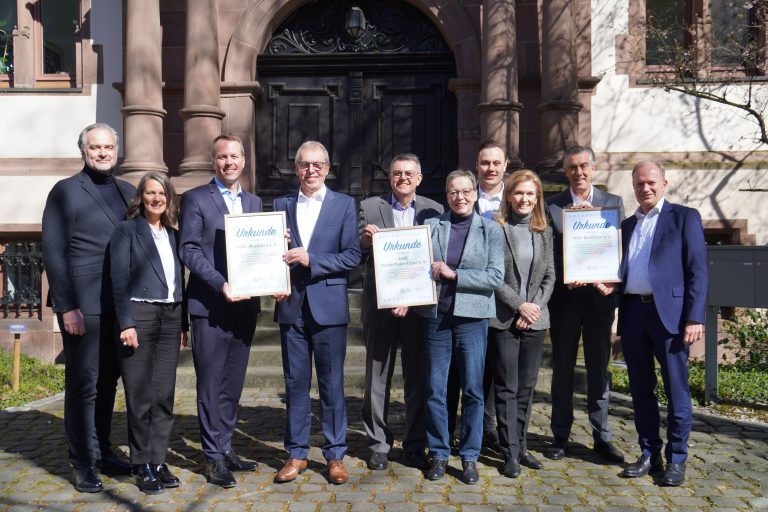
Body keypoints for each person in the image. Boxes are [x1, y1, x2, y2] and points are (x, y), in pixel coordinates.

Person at [596, 161, 707, 487]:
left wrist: (694, 316)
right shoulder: (628, 224)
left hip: (670, 319)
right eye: (639, 183)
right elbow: (626, 269)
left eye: (651, 182)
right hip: (633, 314)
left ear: (664, 183)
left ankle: (676, 459)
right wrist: (613, 284)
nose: (645, 187)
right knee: (641, 391)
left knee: (676, 389)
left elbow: (698, 270)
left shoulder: (684, 217)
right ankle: (648, 454)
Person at [42, 123, 134, 493]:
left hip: (119, 303)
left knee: (108, 382)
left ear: (116, 150)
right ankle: (82, 461)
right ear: (83, 151)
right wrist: (67, 307)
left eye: (108, 147)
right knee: (83, 386)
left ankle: (102, 451)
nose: (102, 153)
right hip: (83, 305)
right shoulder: (64, 191)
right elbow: (53, 251)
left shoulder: (128, 192)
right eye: (95, 147)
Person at [272, 141, 362, 485]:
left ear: (328, 168)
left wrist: (314, 260)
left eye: (318, 165)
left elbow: (352, 256)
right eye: (305, 165)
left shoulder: (343, 205)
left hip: (328, 307)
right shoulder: (280, 205)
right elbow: (268, 254)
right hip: (291, 305)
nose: (311, 171)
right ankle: (296, 454)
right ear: (297, 169)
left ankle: (336, 455)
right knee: (295, 384)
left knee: (331, 384)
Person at [179, 134, 262, 488]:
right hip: (210, 305)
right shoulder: (196, 198)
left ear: (244, 160)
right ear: (214, 161)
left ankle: (225, 447)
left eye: (235, 156)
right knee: (211, 384)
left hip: (246, 307)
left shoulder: (256, 202)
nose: (229, 162)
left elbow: (260, 250)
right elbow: (189, 249)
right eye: (222, 156)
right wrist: (220, 283)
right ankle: (212, 458)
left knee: (232, 383)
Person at [418, 169, 504, 485]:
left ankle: (469, 456)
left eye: (466, 191)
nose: (460, 197)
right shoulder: (431, 226)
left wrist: (455, 275)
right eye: (454, 191)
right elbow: (413, 264)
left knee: (473, 390)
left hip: (472, 320)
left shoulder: (490, 230)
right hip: (437, 318)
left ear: (475, 193)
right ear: (447, 194)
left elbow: (496, 276)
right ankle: (439, 453)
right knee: (435, 390)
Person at [359, 154, 443, 471]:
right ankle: (379, 443)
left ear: (419, 178)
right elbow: (354, 253)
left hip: (419, 308)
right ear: (390, 178)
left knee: (417, 379)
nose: (403, 177)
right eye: (397, 173)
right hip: (380, 307)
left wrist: (412, 295)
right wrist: (365, 242)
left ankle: (415, 443)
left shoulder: (433, 210)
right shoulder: (370, 208)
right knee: (376, 380)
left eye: (409, 173)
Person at [545, 145, 626, 463]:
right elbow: (548, 253)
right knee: (562, 370)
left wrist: (613, 280)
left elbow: (619, 248)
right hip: (564, 300)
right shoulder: (553, 206)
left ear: (593, 168)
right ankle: (560, 435)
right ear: (565, 171)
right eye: (571, 167)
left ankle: (601, 436)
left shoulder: (612, 203)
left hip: (599, 299)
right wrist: (567, 274)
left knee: (598, 370)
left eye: (583, 166)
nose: (578, 172)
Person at [110, 172, 188, 494]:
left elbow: (177, 282)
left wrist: (183, 324)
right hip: (139, 315)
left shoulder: (172, 233)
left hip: (170, 318)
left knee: (164, 395)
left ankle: (158, 459)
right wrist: (126, 323)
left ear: (169, 198)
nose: (156, 198)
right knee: (140, 395)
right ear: (141, 197)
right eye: (150, 193)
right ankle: (140, 463)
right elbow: (118, 280)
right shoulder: (126, 230)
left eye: (161, 193)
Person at [489, 170, 555, 478]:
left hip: (535, 321)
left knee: (526, 387)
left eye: (530, 194)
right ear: (509, 196)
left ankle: (522, 444)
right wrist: (520, 305)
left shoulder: (544, 230)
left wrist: (534, 308)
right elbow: (493, 276)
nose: (524, 199)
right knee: (506, 386)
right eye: (518, 193)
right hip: (503, 318)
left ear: (537, 198)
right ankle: (509, 452)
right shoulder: (496, 227)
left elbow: (550, 276)